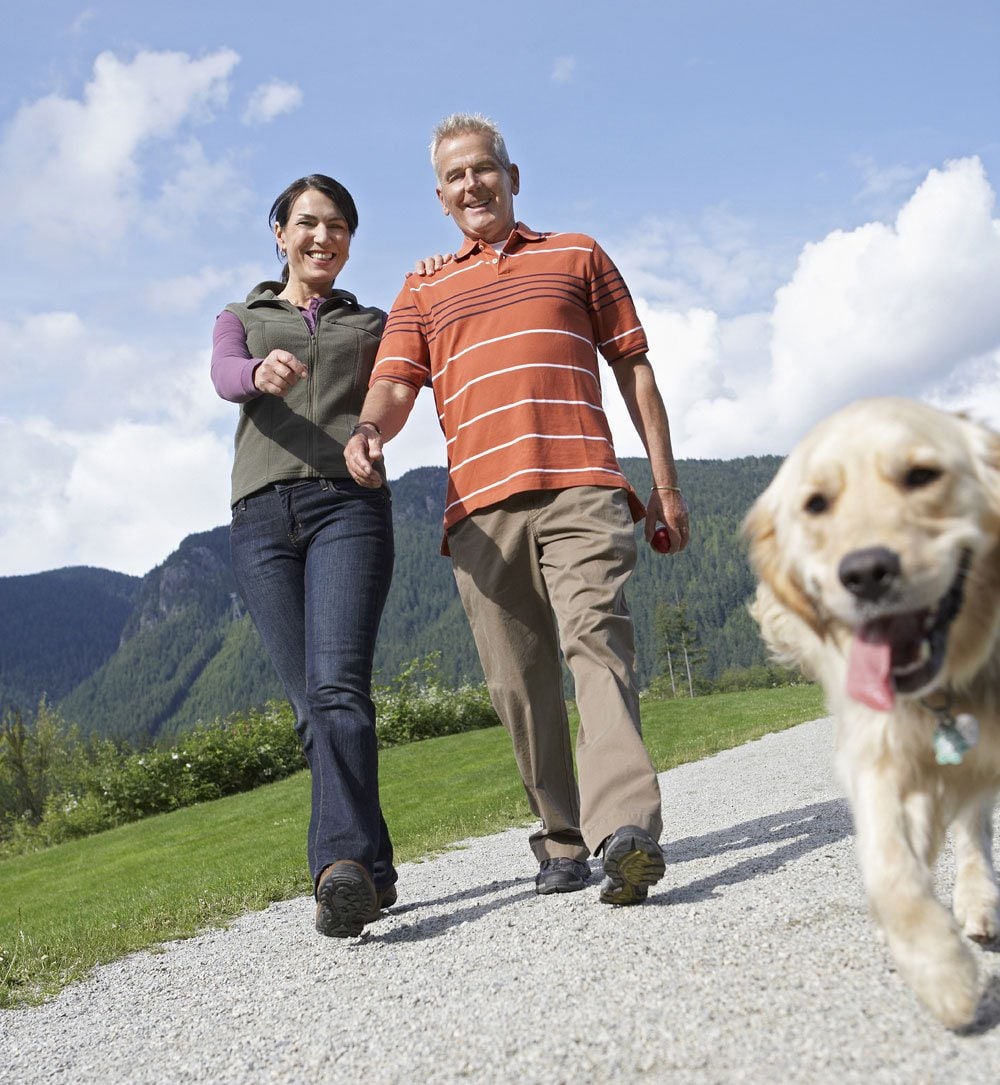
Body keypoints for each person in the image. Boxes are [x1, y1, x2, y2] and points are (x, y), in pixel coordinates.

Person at [345, 114, 690, 906]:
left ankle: (625, 829)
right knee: (517, 682)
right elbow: (396, 385)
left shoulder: (577, 253)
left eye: (485, 168)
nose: (474, 184)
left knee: (596, 643)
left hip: (582, 484)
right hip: (479, 510)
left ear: (512, 174)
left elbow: (637, 372)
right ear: (440, 197)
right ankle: (562, 838)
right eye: (456, 176)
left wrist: (666, 488)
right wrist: (368, 430)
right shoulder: (423, 285)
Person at [211, 174, 397, 937]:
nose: (324, 237)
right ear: (281, 234)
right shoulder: (241, 316)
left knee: (338, 690)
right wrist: (259, 372)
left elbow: (399, 388)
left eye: (340, 227)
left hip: (348, 509)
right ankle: (372, 870)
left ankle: (337, 871)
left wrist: (373, 432)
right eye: (309, 223)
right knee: (309, 705)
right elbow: (224, 374)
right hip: (260, 521)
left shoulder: (373, 322)